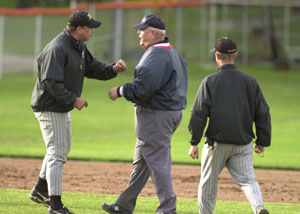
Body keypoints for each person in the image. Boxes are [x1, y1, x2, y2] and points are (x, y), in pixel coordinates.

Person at [29, 10, 126, 214]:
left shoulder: (78, 45)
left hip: (60, 106)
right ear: (79, 29)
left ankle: (40, 189)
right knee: (57, 152)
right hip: (49, 106)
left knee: (62, 149)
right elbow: (50, 82)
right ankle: (55, 206)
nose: (93, 31)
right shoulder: (58, 48)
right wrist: (73, 99)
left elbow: (92, 68)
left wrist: (112, 70)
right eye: (90, 27)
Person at [102, 14, 188, 214]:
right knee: (142, 164)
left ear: (152, 33)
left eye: (142, 30)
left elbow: (142, 90)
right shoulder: (172, 52)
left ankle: (168, 209)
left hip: (156, 116)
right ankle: (123, 205)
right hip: (169, 113)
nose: (139, 33)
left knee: (158, 164)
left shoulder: (157, 56)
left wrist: (120, 90)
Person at [188, 37, 271, 214]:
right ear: (236, 55)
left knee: (208, 183)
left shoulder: (210, 81)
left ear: (217, 55)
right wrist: (262, 140)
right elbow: (262, 112)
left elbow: (198, 114)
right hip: (243, 144)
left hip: (216, 144)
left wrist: (194, 141)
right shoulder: (250, 81)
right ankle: (259, 207)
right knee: (248, 180)